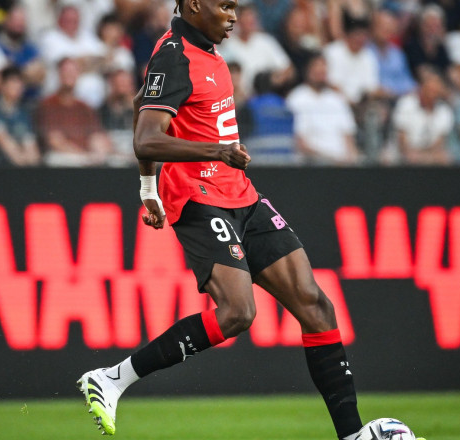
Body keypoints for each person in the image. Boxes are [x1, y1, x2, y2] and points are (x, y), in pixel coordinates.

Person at [77, 2, 385, 440]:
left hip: (241, 193)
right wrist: (212, 153)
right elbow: (147, 136)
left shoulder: (209, 50)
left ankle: (352, 435)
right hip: (200, 198)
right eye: (224, 6)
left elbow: (137, 102)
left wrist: (148, 190)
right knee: (238, 312)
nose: (233, 15)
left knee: (316, 305)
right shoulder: (174, 54)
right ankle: (112, 378)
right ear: (196, 5)